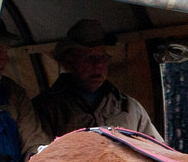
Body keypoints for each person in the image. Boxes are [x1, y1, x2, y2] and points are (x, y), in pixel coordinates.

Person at [31, 18, 160, 140]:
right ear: (69, 63)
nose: (98, 65)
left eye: (103, 58)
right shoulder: (46, 109)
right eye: (89, 58)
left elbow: (158, 152)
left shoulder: (130, 107)